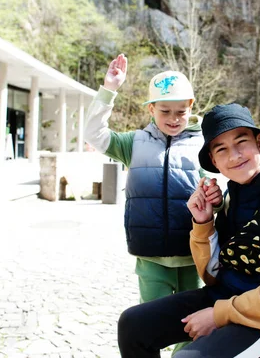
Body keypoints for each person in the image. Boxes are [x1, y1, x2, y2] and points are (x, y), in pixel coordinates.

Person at [117, 103, 260, 358]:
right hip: (230, 297)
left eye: (241, 142)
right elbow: (213, 275)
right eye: (221, 149)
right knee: (133, 325)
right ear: (214, 162)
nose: (234, 156)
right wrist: (203, 222)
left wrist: (218, 315)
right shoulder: (235, 196)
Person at [84, 54, 222, 305]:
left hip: (193, 255)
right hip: (150, 258)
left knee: (190, 331)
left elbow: (214, 192)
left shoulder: (203, 144)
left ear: (191, 106)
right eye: (165, 110)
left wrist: (217, 197)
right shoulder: (132, 143)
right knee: (151, 326)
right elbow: (93, 134)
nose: (173, 118)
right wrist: (109, 89)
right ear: (151, 108)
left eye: (181, 111)